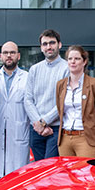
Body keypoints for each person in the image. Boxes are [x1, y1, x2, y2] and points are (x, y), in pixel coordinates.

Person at [0, 41, 30, 181]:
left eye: (12, 52)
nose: (9, 56)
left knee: (17, 179)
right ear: (0, 56)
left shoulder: (27, 78)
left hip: (19, 130)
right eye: (5, 53)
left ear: (18, 56)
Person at [55, 45, 95, 158]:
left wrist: (93, 130)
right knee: (67, 174)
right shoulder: (60, 84)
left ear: (84, 62)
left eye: (77, 58)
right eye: (70, 59)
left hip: (86, 138)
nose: (73, 62)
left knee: (86, 174)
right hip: (65, 138)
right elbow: (60, 110)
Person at [24, 29, 68, 160]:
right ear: (41, 47)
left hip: (56, 129)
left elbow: (64, 101)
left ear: (59, 45)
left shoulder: (67, 68)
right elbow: (28, 99)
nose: (49, 47)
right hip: (36, 128)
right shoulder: (34, 69)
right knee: (37, 169)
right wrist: (38, 123)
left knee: (50, 168)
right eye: (45, 44)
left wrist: (44, 122)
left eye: (52, 43)